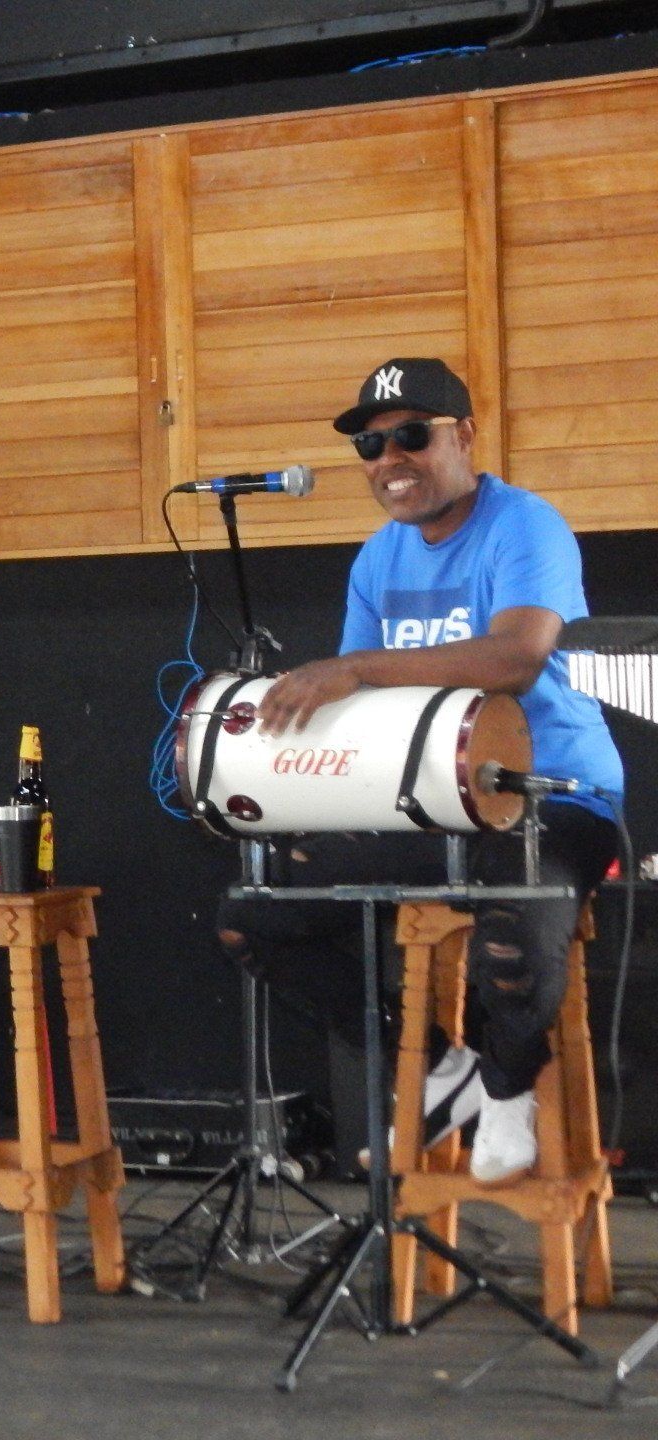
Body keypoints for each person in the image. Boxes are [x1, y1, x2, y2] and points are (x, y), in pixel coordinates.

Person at [218, 358, 623, 1185]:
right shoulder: (377, 560)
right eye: (371, 445)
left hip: (554, 796)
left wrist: (356, 668)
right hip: (430, 802)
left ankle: (507, 1087)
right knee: (254, 914)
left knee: (515, 927)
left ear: (464, 435)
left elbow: (514, 657)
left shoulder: (526, 526)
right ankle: (445, 1067)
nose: (389, 459)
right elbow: (363, 708)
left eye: (411, 435)